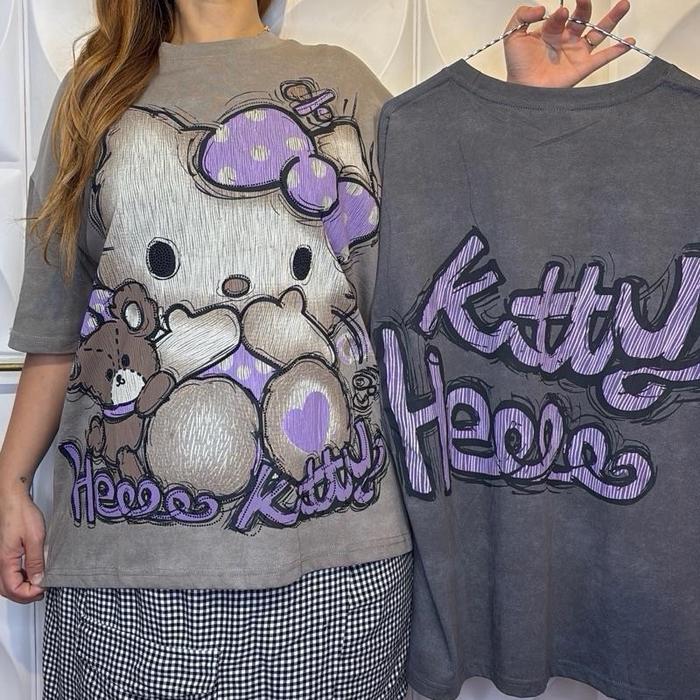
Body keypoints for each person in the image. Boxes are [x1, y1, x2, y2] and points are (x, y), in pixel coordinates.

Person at [0, 1, 636, 698]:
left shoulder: (345, 85)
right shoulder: (95, 94)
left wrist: (525, 107)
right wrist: (10, 482)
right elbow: (58, 330)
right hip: (126, 580)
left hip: (336, 576)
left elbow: (454, 257)